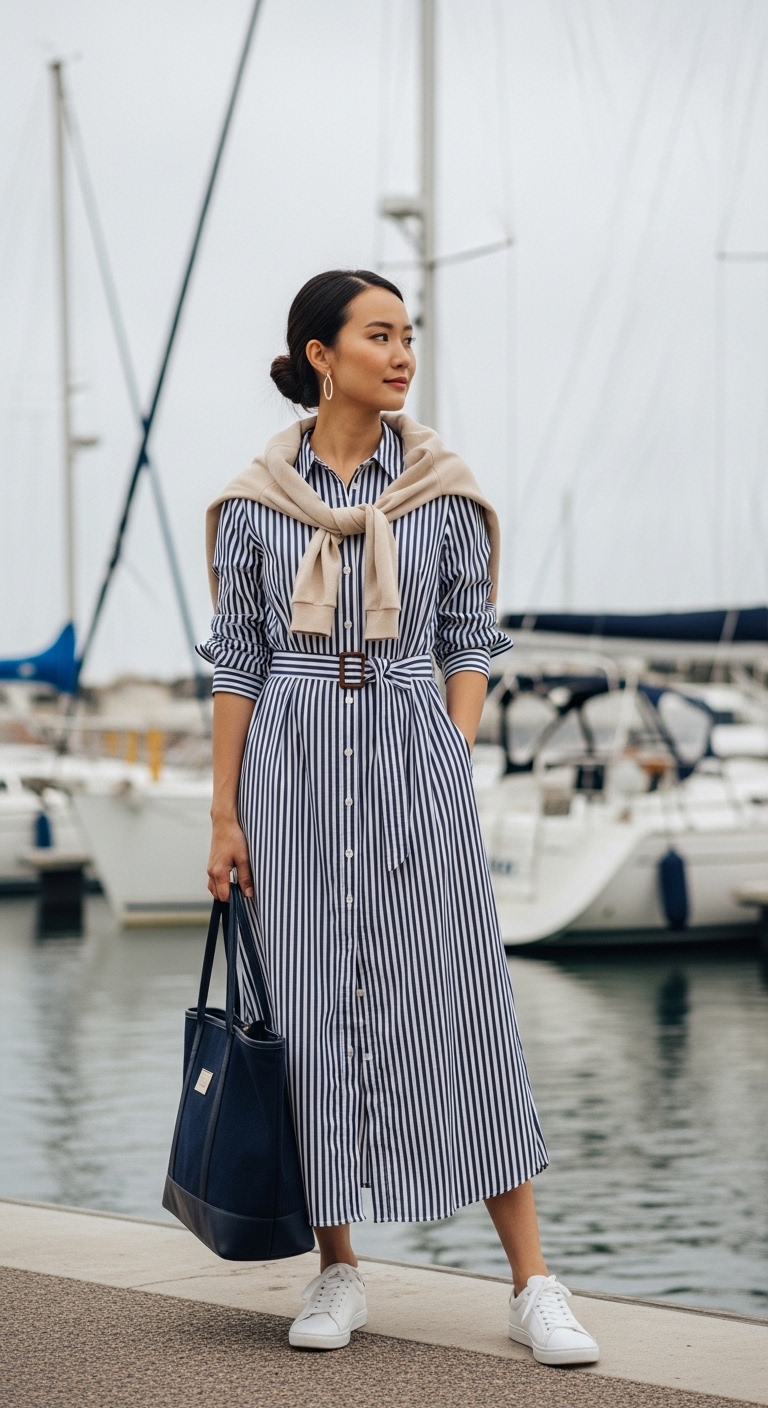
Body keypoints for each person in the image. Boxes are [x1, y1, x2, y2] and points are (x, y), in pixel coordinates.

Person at [201, 269, 599, 1367]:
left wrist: (452, 748)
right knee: (311, 1018)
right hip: (286, 770)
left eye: (409, 336)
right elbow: (237, 661)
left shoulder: (443, 490)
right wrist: (223, 814)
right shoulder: (252, 504)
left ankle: (535, 1281)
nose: (403, 353)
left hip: (413, 762)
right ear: (321, 355)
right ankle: (338, 1266)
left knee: (463, 1008)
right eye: (380, 335)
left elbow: (470, 637)